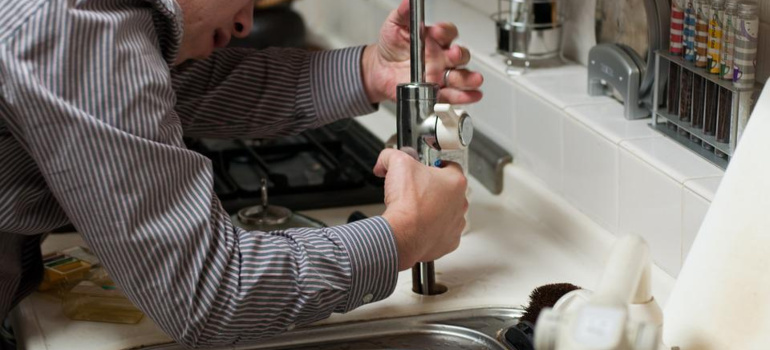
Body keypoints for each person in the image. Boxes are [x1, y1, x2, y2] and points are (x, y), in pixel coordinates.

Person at [0, 0, 483, 348]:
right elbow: (208, 295)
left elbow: (191, 88)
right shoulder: (75, 22)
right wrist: (404, 235)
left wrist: (371, 69)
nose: (244, 22)